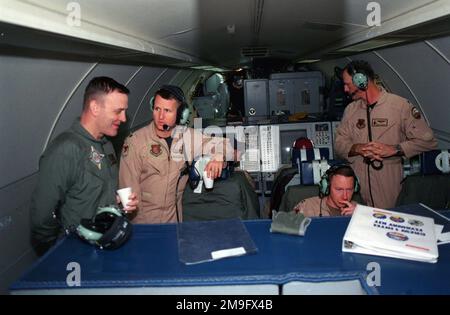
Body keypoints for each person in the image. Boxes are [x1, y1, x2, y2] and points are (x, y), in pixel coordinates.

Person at [30, 77, 138, 254]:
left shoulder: (106, 145)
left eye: (124, 111)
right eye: (118, 111)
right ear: (95, 107)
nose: (124, 118)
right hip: (78, 252)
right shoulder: (66, 149)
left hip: (105, 243)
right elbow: (41, 217)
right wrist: (60, 250)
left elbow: (94, 192)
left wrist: (116, 202)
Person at [119, 85, 232, 224]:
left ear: (180, 114)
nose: (161, 116)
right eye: (157, 109)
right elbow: (128, 194)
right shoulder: (135, 142)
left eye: (167, 111)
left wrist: (219, 157)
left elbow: (227, 145)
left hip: (174, 222)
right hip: (144, 223)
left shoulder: (187, 137)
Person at [335, 60, 438, 209]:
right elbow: (338, 145)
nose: (345, 89)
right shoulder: (351, 110)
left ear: (361, 80)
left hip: (388, 186)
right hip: (357, 189)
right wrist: (357, 148)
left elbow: (428, 141)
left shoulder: (400, 106)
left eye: (347, 84)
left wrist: (394, 149)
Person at [293, 165, 359, 217]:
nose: (345, 196)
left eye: (349, 190)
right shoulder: (307, 206)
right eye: (339, 189)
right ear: (327, 187)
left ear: (355, 188)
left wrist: (360, 217)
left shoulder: (359, 209)